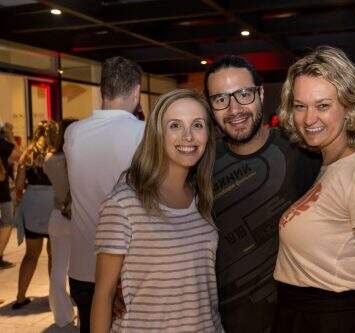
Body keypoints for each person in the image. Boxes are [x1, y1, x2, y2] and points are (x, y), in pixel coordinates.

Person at [274, 46, 355, 332]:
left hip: (333, 321)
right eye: (300, 106)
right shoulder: (330, 165)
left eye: (322, 105)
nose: (309, 119)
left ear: (349, 107)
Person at [204, 55, 321, 332]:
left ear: (261, 93)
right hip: (222, 321)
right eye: (220, 99)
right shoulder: (201, 163)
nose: (234, 109)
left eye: (243, 94)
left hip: (294, 320)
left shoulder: (302, 154)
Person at [91, 89, 222, 332]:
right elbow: (103, 295)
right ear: (156, 134)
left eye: (197, 125)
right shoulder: (125, 203)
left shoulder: (203, 197)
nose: (188, 136)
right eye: (175, 125)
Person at [64, 56, 144, 332]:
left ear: (102, 90)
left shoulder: (73, 133)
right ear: (136, 91)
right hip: (125, 271)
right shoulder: (143, 133)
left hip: (82, 267)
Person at [12, 121, 58, 309]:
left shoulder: (27, 154)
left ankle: (20, 297)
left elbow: (19, 185)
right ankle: (54, 299)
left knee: (31, 254)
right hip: (52, 203)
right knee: (53, 255)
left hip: (32, 203)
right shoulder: (56, 154)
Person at [43, 119, 76, 327]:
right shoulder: (78, 159)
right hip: (78, 216)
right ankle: (86, 310)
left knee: (58, 269)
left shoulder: (49, 159)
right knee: (85, 268)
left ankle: (62, 316)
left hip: (57, 215)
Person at [0, 122, 19, 270]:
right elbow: (16, 155)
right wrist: (10, 136)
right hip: (2, 191)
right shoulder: (3, 143)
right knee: (7, 222)